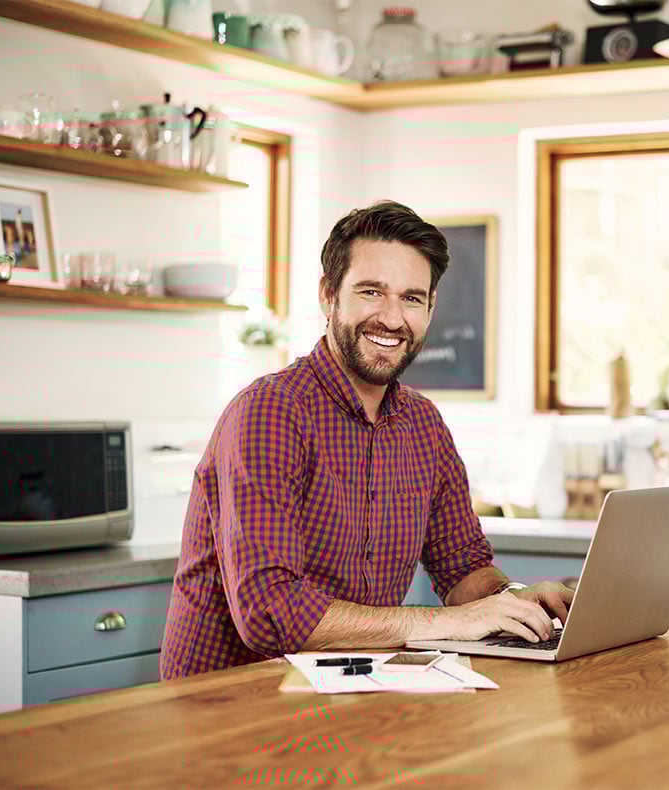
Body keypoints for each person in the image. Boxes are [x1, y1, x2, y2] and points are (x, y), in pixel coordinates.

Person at [160, 200, 574, 679]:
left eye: (412, 298)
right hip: (231, 706)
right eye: (372, 292)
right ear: (328, 295)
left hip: (350, 693)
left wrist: (512, 602)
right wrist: (454, 622)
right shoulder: (268, 412)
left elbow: (463, 568)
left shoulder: (423, 425)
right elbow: (270, 614)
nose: (393, 319)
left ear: (431, 307)